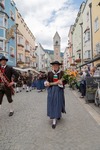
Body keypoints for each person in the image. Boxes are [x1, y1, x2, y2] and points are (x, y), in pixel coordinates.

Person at [45, 61, 66, 129]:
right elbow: (47, 80)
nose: (55, 66)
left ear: (58, 66)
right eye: (54, 65)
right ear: (52, 66)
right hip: (51, 90)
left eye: (56, 65)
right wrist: (47, 83)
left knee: (58, 103)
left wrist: (62, 82)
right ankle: (54, 120)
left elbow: (65, 81)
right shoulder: (49, 73)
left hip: (59, 90)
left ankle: (58, 114)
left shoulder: (62, 73)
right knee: (52, 103)